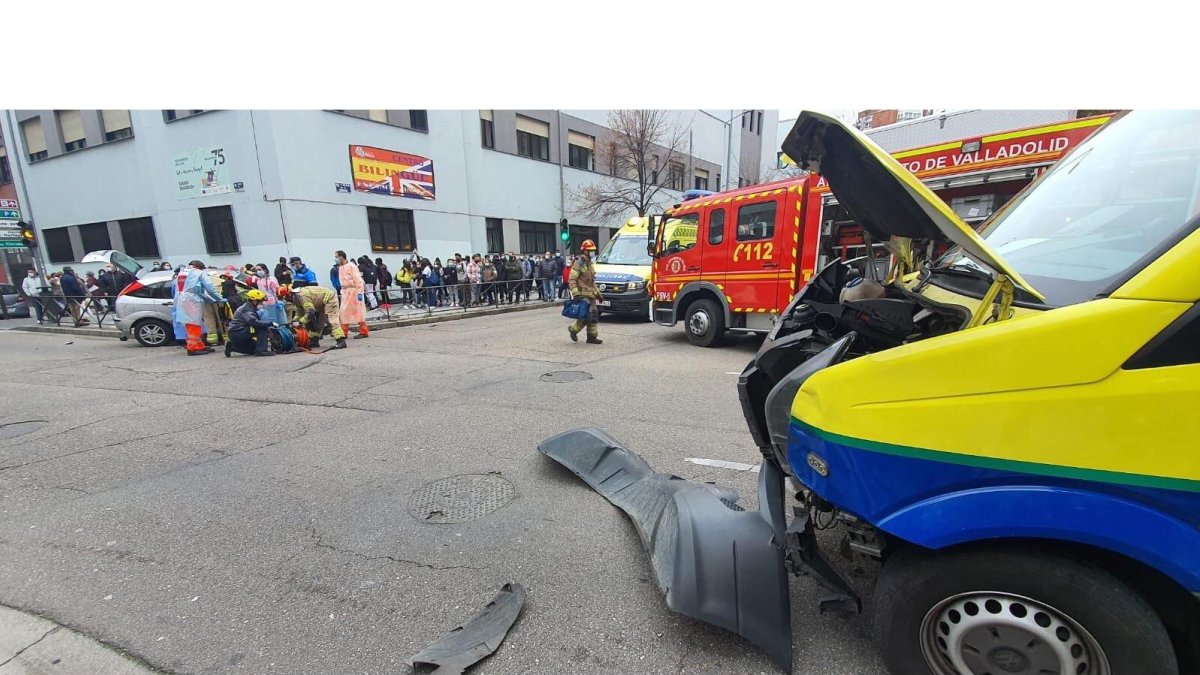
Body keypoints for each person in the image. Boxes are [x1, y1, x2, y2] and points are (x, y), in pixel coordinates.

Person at [175, 260, 223, 355]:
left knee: (191, 323)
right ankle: (193, 348)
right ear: (200, 267)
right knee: (194, 324)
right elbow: (209, 287)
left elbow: (195, 288)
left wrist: (208, 298)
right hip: (192, 300)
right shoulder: (198, 272)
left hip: (181, 299)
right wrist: (219, 298)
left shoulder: (182, 272)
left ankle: (199, 346)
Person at [280, 285, 346, 350]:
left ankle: (341, 341)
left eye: (287, 298)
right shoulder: (297, 298)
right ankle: (314, 341)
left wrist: (300, 322)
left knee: (331, 320)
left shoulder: (302, 296)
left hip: (329, 298)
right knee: (317, 321)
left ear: (290, 294)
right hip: (319, 302)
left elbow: (310, 313)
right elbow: (299, 313)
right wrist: (294, 321)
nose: (288, 300)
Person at [567, 240, 603, 344]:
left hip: (591, 294)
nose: (592, 252)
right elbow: (572, 280)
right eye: (590, 250)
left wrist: (599, 295)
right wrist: (575, 293)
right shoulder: (579, 263)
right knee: (587, 316)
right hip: (582, 294)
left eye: (593, 250)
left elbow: (592, 282)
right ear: (585, 251)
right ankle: (573, 329)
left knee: (594, 316)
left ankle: (591, 337)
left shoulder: (590, 264)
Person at [225, 289, 276, 357]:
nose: (261, 303)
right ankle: (261, 351)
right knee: (261, 328)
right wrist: (270, 324)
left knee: (253, 350)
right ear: (255, 300)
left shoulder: (249, 307)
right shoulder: (247, 309)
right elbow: (254, 323)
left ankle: (232, 347)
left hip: (237, 334)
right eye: (260, 301)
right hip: (238, 332)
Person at [335, 250, 370, 339]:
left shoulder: (352, 266)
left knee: (358, 311)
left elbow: (358, 279)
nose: (335, 259)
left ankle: (364, 331)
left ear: (341, 257)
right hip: (346, 292)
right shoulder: (340, 267)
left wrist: (360, 292)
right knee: (344, 312)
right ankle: (344, 332)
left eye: (336, 257)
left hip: (354, 291)